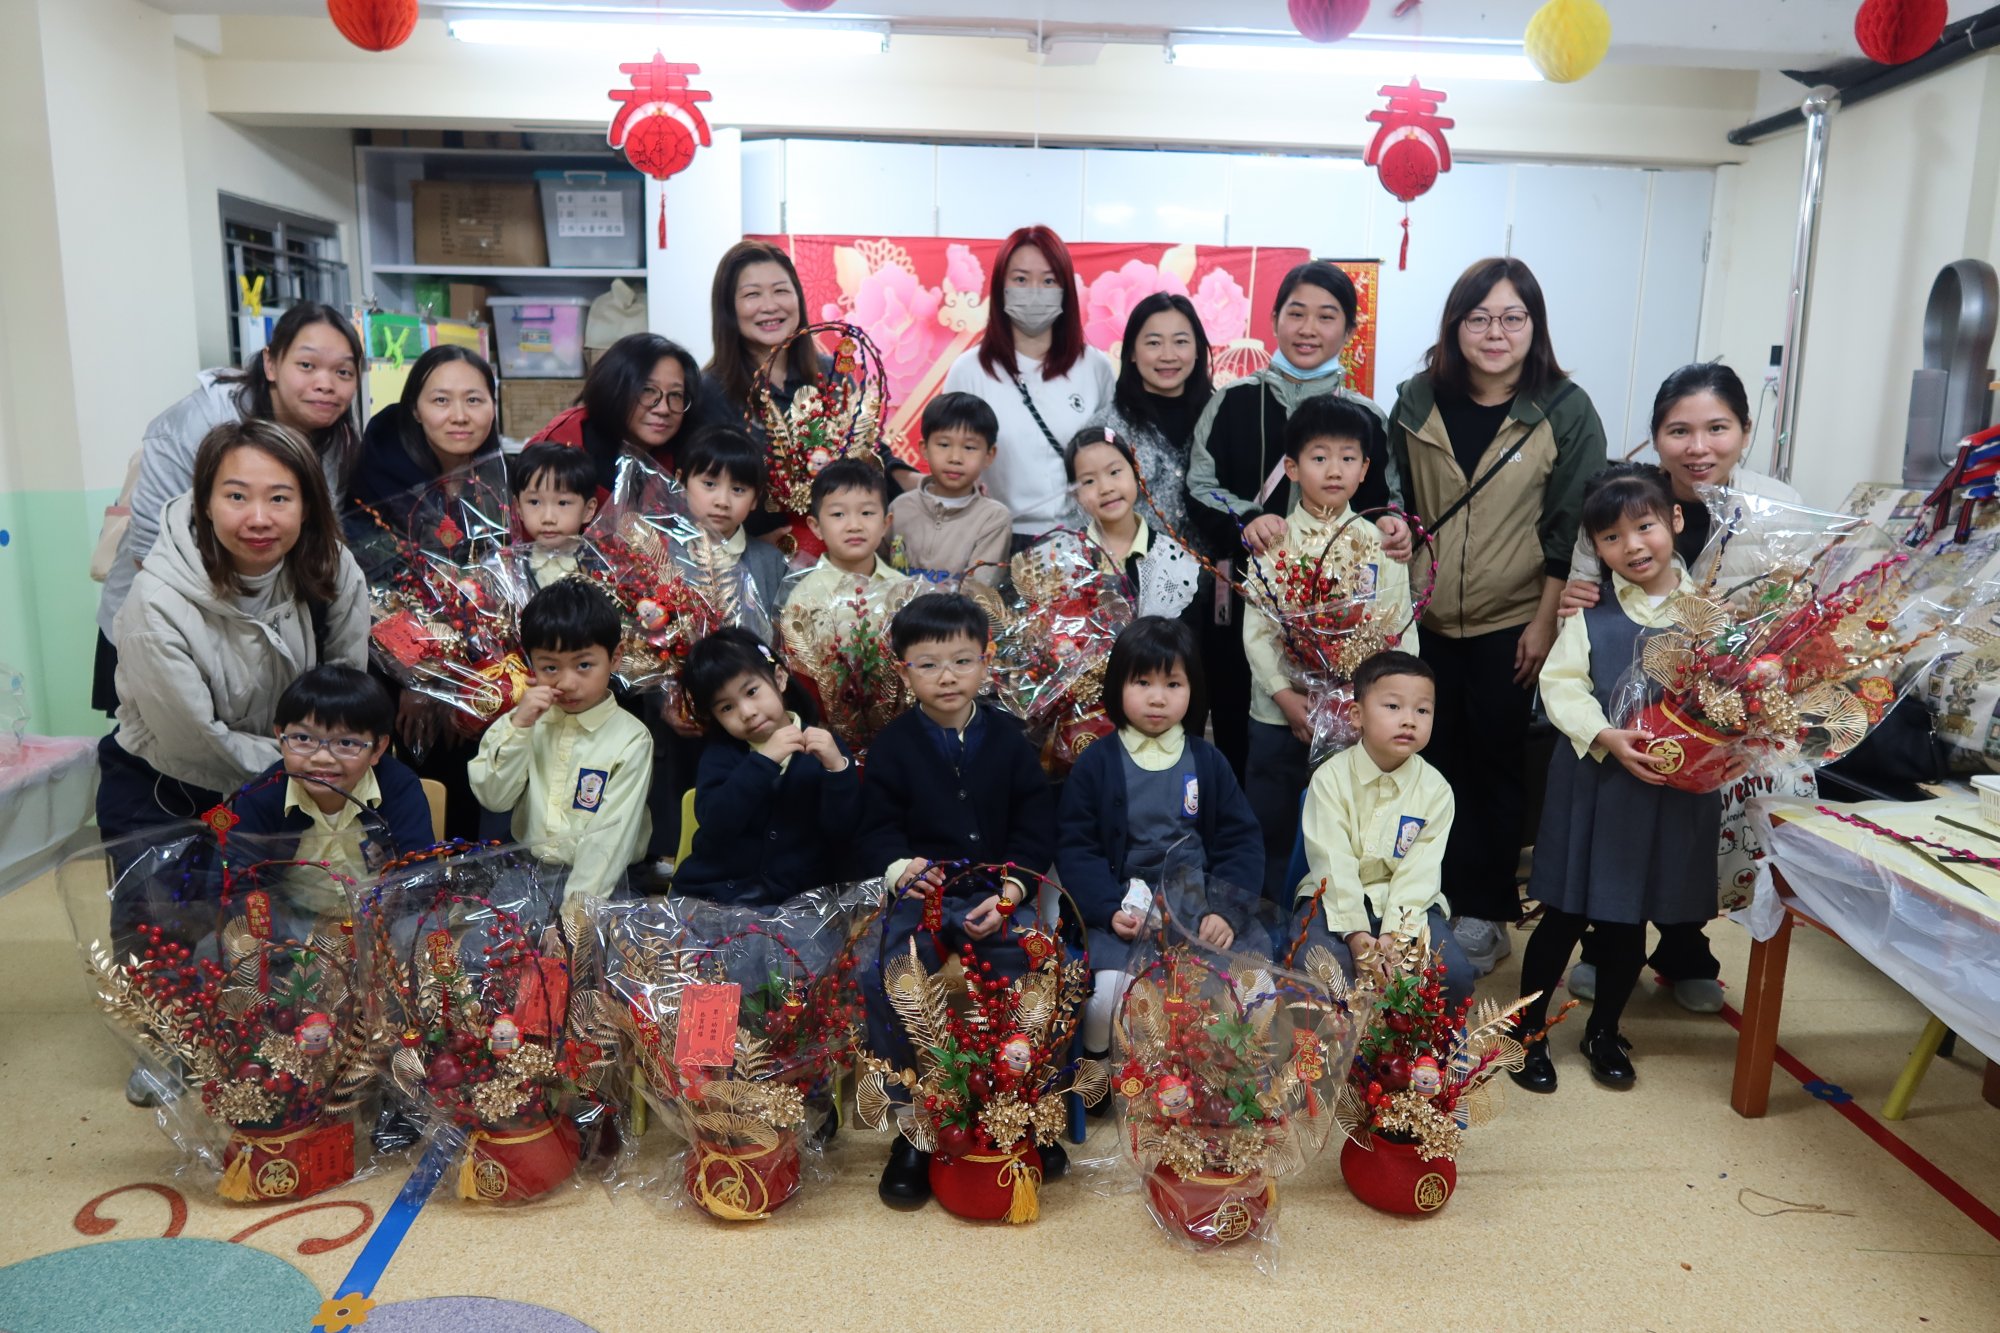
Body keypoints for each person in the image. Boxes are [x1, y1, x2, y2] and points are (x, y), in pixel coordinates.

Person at [1559, 364, 1805, 1014]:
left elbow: (1791, 614)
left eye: (1716, 428)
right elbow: (1583, 586)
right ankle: (1606, 944)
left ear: (1745, 431)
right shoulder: (1623, 496)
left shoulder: (1776, 507)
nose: (1698, 447)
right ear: (1657, 435)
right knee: (1623, 828)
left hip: (1725, 708)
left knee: (1696, 836)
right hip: (1629, 701)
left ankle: (1683, 946)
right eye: (1679, 430)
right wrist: (1576, 602)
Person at [1387, 257, 1607, 977]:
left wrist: (1544, 624)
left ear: (1534, 327)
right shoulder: (1417, 400)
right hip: (1423, 617)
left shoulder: (1564, 409)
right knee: (1425, 760)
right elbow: (1394, 498)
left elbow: (1572, 528)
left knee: (1494, 765)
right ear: (1456, 325)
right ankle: (1428, 898)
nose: (1495, 332)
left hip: (1513, 618)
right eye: (1478, 317)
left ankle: (1484, 909)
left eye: (1513, 317)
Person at [1510, 465, 1726, 1092]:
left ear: (1675, 521)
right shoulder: (1589, 610)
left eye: (1644, 527)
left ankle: (1603, 1029)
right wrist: (1606, 735)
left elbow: (1733, 700)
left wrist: (1733, 745)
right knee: (1563, 915)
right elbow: (1561, 686)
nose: (1631, 546)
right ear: (1595, 547)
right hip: (1595, 785)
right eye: (1610, 537)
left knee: (1629, 922)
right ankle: (1525, 1034)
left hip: (1664, 793)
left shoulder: (1713, 616)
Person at [856, 593, 1058, 1208]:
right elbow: (875, 828)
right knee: (885, 974)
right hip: (925, 894)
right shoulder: (892, 746)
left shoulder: (1011, 739)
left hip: (996, 892)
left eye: (962, 661)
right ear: (903, 671)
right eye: (928, 664)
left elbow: (1036, 825)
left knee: (1031, 972)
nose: (947, 677)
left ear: (985, 663)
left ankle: (1020, 1112)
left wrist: (1013, 891)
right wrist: (900, 869)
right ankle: (913, 1126)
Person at [98, 419, 369, 842]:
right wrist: (321, 761)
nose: (258, 519)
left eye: (279, 498)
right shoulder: (157, 602)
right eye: (237, 496)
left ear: (307, 506)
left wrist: (323, 761)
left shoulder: (331, 568)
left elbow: (344, 692)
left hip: (294, 784)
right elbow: (197, 742)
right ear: (205, 503)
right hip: (172, 794)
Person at [95, 303, 364, 714]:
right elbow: (149, 552)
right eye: (307, 365)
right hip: (174, 627)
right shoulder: (196, 423)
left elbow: (319, 543)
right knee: (166, 737)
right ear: (271, 363)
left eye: (343, 372)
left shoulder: (335, 441)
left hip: (267, 632)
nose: (326, 384)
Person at [1185, 261, 1396, 778]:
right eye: (1296, 313)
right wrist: (1247, 518)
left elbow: (1385, 500)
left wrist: (1395, 527)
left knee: (1338, 760)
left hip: (1342, 622)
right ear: (1274, 318)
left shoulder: (1367, 417)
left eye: (1327, 316)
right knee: (1241, 735)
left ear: (1349, 330)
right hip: (1245, 599)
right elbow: (1199, 486)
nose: (1308, 328)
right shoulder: (1233, 400)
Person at [1056, 617, 1261, 1070]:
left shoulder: (1207, 761)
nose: (1157, 697)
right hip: (1121, 910)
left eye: (1173, 684)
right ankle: (1097, 1072)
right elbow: (1077, 847)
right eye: (1142, 682)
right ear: (1117, 686)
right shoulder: (1096, 763)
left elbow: (1240, 841)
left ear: (1193, 690)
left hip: (1198, 907)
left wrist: (1225, 912)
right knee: (1106, 998)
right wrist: (1106, 909)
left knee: (1239, 990)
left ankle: (1203, 1077)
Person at [1242, 396, 1415, 901]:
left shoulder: (1380, 544)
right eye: (1319, 457)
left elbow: (1399, 629)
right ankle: (1268, 922)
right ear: (1293, 468)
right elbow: (1257, 632)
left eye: (1347, 458)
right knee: (1272, 825)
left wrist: (1378, 704)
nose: (1334, 470)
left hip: (1355, 719)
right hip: (1280, 716)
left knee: (1344, 831)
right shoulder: (1273, 542)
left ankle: (1328, 922)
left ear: (1365, 470)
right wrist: (1285, 697)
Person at [343, 345, 509, 840]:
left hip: (487, 676)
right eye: (441, 400)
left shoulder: (501, 481)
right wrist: (421, 675)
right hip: (401, 679)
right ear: (414, 408)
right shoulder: (378, 481)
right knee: (423, 806)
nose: (459, 415)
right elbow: (377, 588)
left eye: (474, 400)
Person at [1292, 650, 1473, 1005]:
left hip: (1407, 905)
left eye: (1422, 710)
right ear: (1357, 715)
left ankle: (1418, 1044)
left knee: (1452, 975)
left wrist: (1395, 936)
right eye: (1393, 706)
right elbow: (1333, 862)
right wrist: (1356, 934)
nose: (1409, 721)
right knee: (1318, 968)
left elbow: (1420, 871)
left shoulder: (1436, 790)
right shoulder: (1330, 779)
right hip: (1334, 899)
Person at [702, 240, 916, 524]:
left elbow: (867, 450)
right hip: (752, 548)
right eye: (752, 294)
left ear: (798, 299)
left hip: (839, 542)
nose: (770, 306)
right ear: (728, 308)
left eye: (781, 290)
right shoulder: (708, 391)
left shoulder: (831, 373)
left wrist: (921, 483)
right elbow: (701, 488)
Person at [468, 579, 653, 901]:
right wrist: (520, 726)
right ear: (531, 663)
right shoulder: (524, 723)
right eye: (550, 667)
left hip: (604, 883)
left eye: (584, 665)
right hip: (527, 874)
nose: (567, 683)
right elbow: (494, 798)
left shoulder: (631, 739)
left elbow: (608, 843)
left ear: (615, 657)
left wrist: (576, 914)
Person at [940, 226, 1115, 546]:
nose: (1035, 291)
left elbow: (1113, 460)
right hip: (994, 541)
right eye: (1021, 279)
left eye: (1048, 281)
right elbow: (946, 462)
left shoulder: (1095, 368)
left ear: (1065, 289)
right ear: (1001, 287)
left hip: (1083, 542)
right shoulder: (969, 371)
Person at [672, 627, 860, 906]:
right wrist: (762, 763)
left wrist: (837, 769)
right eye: (726, 708)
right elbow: (716, 825)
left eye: (752, 691)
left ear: (780, 679)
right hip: (714, 894)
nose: (747, 712)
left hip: (797, 902)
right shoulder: (721, 754)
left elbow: (843, 832)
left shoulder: (824, 747)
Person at [231, 664, 435, 912]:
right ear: (280, 737)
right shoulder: (260, 797)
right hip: (294, 922)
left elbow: (420, 875)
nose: (322, 758)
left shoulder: (399, 787)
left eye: (346, 743)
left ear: (378, 749)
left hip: (383, 920)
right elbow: (239, 886)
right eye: (303, 739)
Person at [1065, 426, 1205, 733]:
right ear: (1075, 494)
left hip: (1161, 719)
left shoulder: (1176, 564)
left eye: (1115, 472)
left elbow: (1191, 663)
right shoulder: (1065, 562)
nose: (1105, 487)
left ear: (1136, 472)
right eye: (1088, 481)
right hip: (1084, 723)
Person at [1090, 291, 1215, 543]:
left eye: (1180, 341)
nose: (1168, 355)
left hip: (1210, 566)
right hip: (1129, 566)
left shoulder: (1221, 416)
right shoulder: (1106, 428)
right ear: (1132, 352)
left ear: (1197, 350)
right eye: (1154, 343)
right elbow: (1087, 510)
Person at [527, 332, 703, 493]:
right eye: (647, 390)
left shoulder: (685, 455)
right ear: (614, 389)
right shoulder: (561, 448)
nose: (663, 409)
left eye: (676, 395)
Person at [887, 391, 1012, 583]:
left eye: (969, 448)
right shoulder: (899, 508)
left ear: (989, 455)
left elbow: (979, 588)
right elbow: (877, 572)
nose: (955, 458)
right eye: (944, 445)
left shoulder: (993, 518)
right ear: (924, 449)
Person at [678, 428, 790, 614]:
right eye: (709, 484)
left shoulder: (773, 562)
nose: (722, 502)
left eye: (738, 489)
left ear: (755, 499)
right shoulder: (659, 552)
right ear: (681, 484)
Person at [785, 458, 904, 612]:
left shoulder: (904, 591)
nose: (854, 526)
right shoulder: (804, 597)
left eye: (866, 513)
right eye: (838, 514)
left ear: (885, 524)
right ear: (816, 527)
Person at [508, 442, 602, 590]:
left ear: (588, 510)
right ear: (518, 507)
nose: (548, 518)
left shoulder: (600, 567)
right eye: (534, 502)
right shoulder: (512, 568)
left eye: (563, 503)